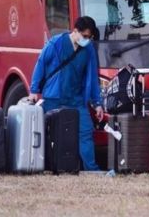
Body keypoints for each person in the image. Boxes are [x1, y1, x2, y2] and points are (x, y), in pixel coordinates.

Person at [28, 16, 103, 171]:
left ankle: (91, 169)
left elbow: (92, 78)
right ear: (75, 31)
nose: (87, 40)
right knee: (48, 133)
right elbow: (40, 64)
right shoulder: (55, 44)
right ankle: (45, 166)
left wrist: (97, 103)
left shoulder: (88, 50)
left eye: (90, 37)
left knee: (86, 131)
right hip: (53, 98)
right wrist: (34, 90)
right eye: (85, 36)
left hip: (76, 99)